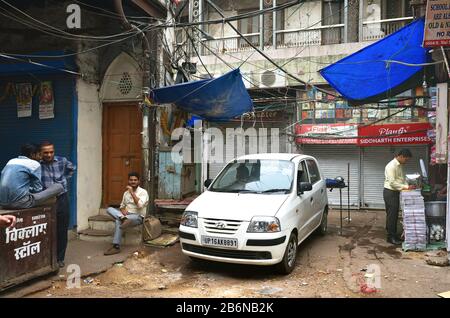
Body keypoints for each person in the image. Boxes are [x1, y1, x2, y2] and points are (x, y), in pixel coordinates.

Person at [40, 141, 76, 268]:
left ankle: (59, 258)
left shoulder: (62, 161)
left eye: (51, 152)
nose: (49, 155)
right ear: (40, 153)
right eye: (46, 152)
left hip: (62, 199)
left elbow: (72, 168)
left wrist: (64, 180)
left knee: (61, 229)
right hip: (46, 200)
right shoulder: (37, 165)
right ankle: (47, 258)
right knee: (47, 230)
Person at [0, 144, 63, 209]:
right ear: (32, 154)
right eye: (39, 155)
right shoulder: (34, 164)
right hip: (20, 203)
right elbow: (37, 190)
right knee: (58, 187)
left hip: (3, 203)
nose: (41, 157)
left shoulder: (11, 161)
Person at [104, 172, 149, 256]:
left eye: (135, 180)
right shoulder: (125, 193)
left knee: (118, 221)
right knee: (109, 209)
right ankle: (123, 218)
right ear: (128, 181)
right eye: (131, 180)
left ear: (138, 181)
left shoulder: (143, 192)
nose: (133, 182)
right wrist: (122, 210)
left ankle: (116, 246)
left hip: (137, 217)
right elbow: (121, 206)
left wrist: (132, 192)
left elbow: (140, 205)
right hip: (126, 215)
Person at [383, 148, 415, 245]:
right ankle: (390, 237)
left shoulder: (399, 165)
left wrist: (407, 186)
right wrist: (406, 187)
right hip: (390, 192)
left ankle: (393, 234)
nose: (406, 161)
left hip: (395, 192)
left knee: (394, 214)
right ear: (401, 156)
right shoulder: (391, 166)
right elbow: (392, 183)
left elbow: (401, 179)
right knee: (392, 215)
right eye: (406, 159)